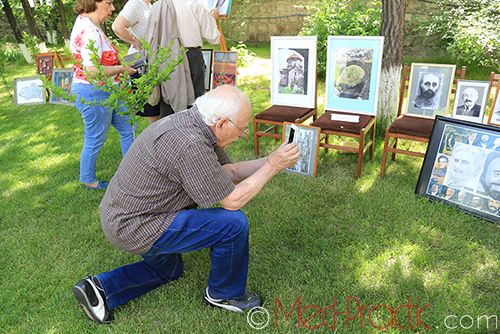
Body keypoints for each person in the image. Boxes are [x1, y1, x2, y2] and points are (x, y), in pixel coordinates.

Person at [71, 85, 301, 323]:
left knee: (170, 271)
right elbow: (232, 201)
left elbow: (229, 171)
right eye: (241, 129)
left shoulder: (195, 122)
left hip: (122, 217)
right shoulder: (190, 144)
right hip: (135, 225)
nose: (242, 135)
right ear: (221, 124)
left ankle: (99, 289)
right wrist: (273, 167)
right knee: (233, 224)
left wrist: (272, 159)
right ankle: (224, 295)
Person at [70, 0, 136, 189]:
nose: (113, 8)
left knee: (128, 127)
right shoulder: (89, 30)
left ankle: (133, 172)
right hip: (94, 91)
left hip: (107, 90)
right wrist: (121, 68)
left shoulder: (87, 23)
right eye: (108, 3)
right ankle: (88, 180)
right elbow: (92, 70)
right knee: (95, 137)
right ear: (94, 2)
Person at [145, 0, 221, 119]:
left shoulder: (158, 6)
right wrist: (213, 18)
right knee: (195, 102)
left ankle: (169, 132)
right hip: (191, 56)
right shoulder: (195, 7)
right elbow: (214, 38)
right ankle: (192, 132)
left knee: (167, 100)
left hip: (164, 56)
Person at [112, 0, 160, 125]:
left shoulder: (148, 5)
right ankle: (154, 139)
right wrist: (137, 42)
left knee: (156, 105)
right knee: (152, 105)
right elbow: (117, 26)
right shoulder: (135, 3)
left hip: (148, 58)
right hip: (139, 58)